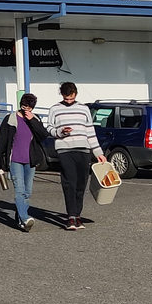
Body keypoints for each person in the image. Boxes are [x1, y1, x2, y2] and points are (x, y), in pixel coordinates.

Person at [46, 81, 106, 230]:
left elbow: (90, 131)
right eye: (66, 99)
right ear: (61, 94)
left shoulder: (84, 109)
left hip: (83, 150)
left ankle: (77, 215)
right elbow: (49, 128)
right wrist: (60, 132)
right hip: (65, 150)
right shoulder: (54, 109)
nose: (69, 101)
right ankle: (71, 216)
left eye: (71, 99)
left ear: (76, 94)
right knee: (70, 182)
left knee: (81, 183)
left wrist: (98, 152)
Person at [0, 93, 49, 232]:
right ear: (20, 104)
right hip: (15, 160)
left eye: (29, 107)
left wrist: (33, 121)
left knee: (27, 192)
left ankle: (21, 222)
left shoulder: (35, 119)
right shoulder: (10, 119)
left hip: (30, 161)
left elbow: (43, 135)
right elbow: (2, 142)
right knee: (20, 190)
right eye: (24, 106)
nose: (26, 109)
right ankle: (25, 218)